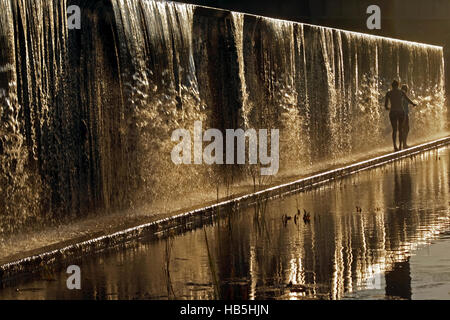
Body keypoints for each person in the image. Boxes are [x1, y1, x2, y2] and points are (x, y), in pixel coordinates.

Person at [384, 80, 416, 151]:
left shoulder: (388, 93)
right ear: (398, 85)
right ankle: (401, 145)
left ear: (391, 86)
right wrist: (413, 104)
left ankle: (395, 146)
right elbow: (408, 100)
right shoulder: (401, 92)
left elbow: (386, 106)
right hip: (401, 112)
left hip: (393, 112)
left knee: (394, 130)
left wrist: (390, 108)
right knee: (401, 129)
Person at [400, 84, 416, 149]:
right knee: (406, 128)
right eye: (406, 89)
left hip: (402, 114)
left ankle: (403, 144)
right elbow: (408, 100)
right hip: (404, 114)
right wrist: (413, 103)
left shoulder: (400, 96)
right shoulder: (403, 95)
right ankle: (404, 144)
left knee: (404, 129)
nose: (407, 90)